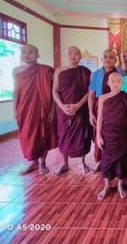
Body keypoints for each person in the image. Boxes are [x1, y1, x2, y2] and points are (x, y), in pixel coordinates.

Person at [13, 44, 57, 175]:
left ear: (37, 55)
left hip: (42, 108)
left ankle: (42, 163)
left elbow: (53, 92)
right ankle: (33, 163)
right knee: (27, 136)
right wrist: (15, 109)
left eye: (30, 52)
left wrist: (53, 110)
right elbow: (15, 91)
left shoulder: (46, 70)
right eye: (24, 52)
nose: (27, 55)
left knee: (42, 135)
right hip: (24, 109)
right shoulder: (16, 71)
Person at [52, 46, 92, 175]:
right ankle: (65, 163)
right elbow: (55, 90)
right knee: (64, 135)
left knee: (82, 136)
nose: (73, 56)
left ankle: (82, 162)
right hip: (64, 110)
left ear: (80, 56)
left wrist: (78, 105)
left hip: (80, 109)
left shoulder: (86, 72)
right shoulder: (59, 71)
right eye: (70, 53)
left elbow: (89, 92)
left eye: (76, 54)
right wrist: (62, 106)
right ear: (66, 55)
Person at [96, 72, 127, 199]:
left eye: (118, 81)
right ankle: (107, 185)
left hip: (122, 135)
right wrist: (98, 136)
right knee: (106, 160)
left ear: (122, 83)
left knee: (122, 161)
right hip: (108, 135)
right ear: (108, 83)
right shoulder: (103, 98)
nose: (116, 84)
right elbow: (100, 118)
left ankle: (120, 185)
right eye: (113, 81)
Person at [88, 49, 127, 172]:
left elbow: (124, 93)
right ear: (102, 59)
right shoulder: (95, 74)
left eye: (111, 57)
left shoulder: (122, 74)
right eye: (105, 57)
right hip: (100, 107)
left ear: (115, 60)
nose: (108, 59)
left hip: (117, 108)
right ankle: (100, 160)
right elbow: (91, 94)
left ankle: (116, 162)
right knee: (99, 134)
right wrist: (90, 112)